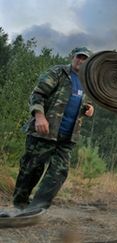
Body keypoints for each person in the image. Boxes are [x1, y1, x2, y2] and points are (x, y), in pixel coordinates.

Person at [13, 47, 94, 211]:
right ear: (73, 57)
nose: (81, 61)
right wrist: (39, 116)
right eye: (79, 57)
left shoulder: (88, 83)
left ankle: (37, 207)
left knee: (59, 172)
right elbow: (37, 94)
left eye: (85, 59)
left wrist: (89, 109)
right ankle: (20, 204)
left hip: (68, 137)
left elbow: (86, 103)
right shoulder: (59, 72)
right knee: (32, 168)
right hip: (45, 131)